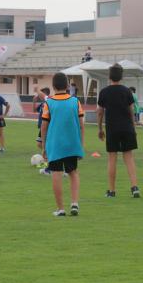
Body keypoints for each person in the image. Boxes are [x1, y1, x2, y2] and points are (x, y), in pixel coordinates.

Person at [41, 72, 84, 217]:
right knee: (73, 172)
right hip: (72, 144)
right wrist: (81, 144)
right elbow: (81, 124)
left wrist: (44, 145)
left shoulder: (49, 103)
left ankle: (60, 209)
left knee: (57, 174)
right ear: (67, 85)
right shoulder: (75, 101)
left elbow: (44, 126)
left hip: (55, 144)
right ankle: (74, 203)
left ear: (53, 86)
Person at [97, 64, 141, 198]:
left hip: (112, 128)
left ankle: (111, 191)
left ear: (109, 76)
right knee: (129, 157)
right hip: (127, 127)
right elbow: (131, 111)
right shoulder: (127, 91)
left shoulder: (104, 92)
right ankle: (134, 187)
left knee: (112, 159)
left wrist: (100, 128)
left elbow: (100, 112)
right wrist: (133, 127)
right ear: (121, 77)